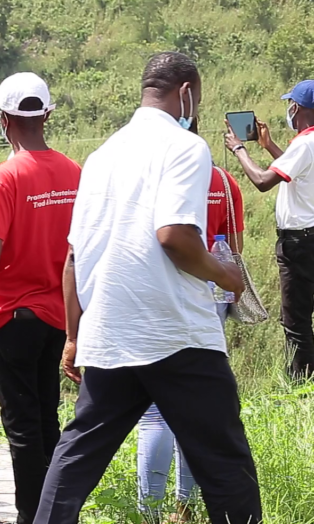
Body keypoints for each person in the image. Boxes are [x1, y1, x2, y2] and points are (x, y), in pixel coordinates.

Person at [34, 52, 260, 524]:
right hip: (175, 334)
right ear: (185, 93)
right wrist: (228, 277)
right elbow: (175, 236)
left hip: (108, 333)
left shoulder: (101, 156)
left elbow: (75, 256)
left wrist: (74, 337)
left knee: (75, 458)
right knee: (225, 467)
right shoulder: (185, 147)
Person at [0, 73, 80, 524]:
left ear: (4, 118)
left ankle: (32, 516)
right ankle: (56, 510)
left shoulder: (4, 177)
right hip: (57, 315)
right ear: (46, 115)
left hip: (11, 315)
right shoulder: (74, 172)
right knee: (48, 417)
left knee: (23, 427)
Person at [137, 123, 246, 523]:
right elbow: (234, 249)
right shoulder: (223, 181)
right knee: (196, 407)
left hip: (158, 301)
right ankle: (185, 505)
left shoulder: (154, 179)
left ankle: (149, 511)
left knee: (154, 414)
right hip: (209, 303)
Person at [224, 79, 314, 381]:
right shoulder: (305, 146)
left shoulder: (304, 143)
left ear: (298, 108)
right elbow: (295, 173)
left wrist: (239, 150)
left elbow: (263, 181)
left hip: (299, 243)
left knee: (296, 321)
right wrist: (268, 145)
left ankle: (301, 384)